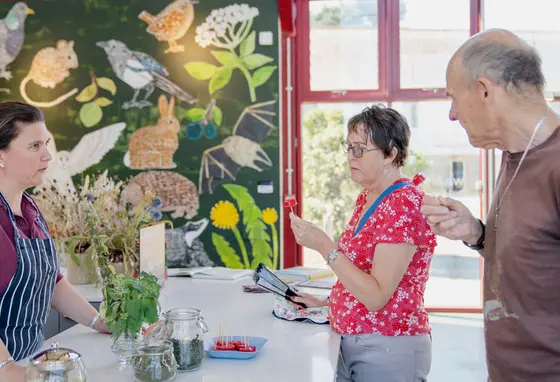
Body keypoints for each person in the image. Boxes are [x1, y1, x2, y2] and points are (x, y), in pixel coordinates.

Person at [420, 29, 560, 382]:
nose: (452, 114)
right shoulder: (513, 155)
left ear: (484, 90)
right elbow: (537, 263)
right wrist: (477, 233)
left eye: (453, 98)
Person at [290, 104, 437, 382]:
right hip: (356, 341)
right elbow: (359, 275)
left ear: (390, 154)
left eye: (360, 149)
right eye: (348, 147)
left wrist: (324, 246)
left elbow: (376, 295)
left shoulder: (403, 203)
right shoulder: (369, 196)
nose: (350, 157)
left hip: (387, 346)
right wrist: (327, 302)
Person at [0, 102, 110, 382]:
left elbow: (51, 282)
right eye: (34, 146)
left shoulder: (29, 208)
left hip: (30, 360)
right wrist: (9, 370)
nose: (48, 155)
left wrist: (98, 321)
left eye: (46, 143)